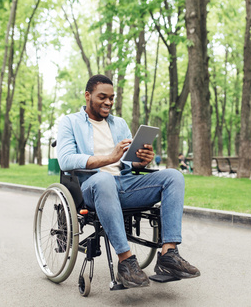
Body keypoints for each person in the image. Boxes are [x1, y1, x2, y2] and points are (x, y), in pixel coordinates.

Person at [57, 74, 200, 289]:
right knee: (104, 178)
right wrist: (109, 158)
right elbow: (65, 159)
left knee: (174, 176)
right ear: (88, 96)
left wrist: (141, 161)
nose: (108, 102)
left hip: (124, 183)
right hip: (91, 186)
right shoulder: (70, 122)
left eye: (111, 98)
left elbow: (127, 163)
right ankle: (126, 262)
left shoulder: (119, 123)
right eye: (102, 97)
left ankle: (168, 254)